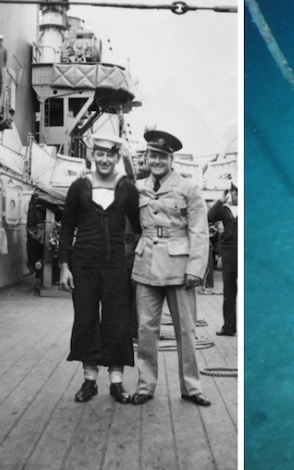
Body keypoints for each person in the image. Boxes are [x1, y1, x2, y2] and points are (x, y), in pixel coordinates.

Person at [130, 129, 211, 407]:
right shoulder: (137, 187)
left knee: (185, 331)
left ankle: (191, 387)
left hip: (179, 268)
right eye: (153, 155)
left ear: (171, 159)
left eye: (162, 156)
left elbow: (200, 232)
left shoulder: (189, 189)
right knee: (145, 330)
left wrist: (195, 270)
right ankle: (145, 386)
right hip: (147, 265)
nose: (157, 160)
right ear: (147, 157)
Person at [58, 133, 140, 404]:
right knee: (86, 319)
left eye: (110, 155)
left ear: (118, 158)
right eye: (100, 154)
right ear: (92, 155)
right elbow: (67, 227)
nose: (104, 159)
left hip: (116, 265)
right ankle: (89, 380)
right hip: (83, 266)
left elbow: (140, 227)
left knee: (118, 322)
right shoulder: (78, 187)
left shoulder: (127, 188)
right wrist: (64, 266)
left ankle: (116, 383)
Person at [208, 183, 238, 336]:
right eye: (236, 192)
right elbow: (209, 217)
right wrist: (220, 200)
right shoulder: (224, 209)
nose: (238, 196)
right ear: (231, 192)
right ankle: (229, 327)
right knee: (229, 291)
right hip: (229, 253)